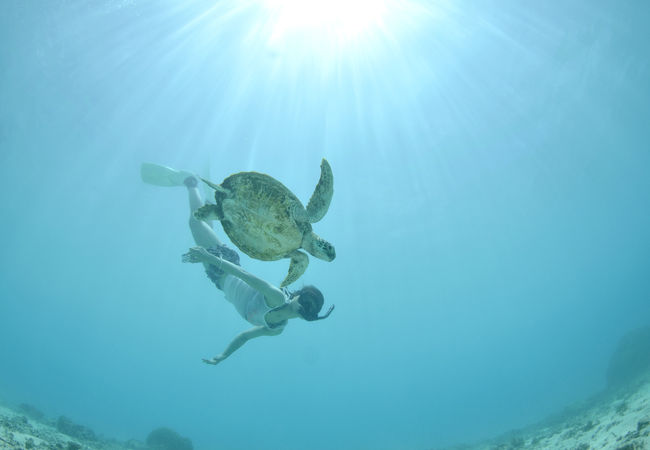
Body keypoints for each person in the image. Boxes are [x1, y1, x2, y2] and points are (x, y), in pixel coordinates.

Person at [141, 163, 334, 366]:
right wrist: (210, 258)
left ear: (311, 317)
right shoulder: (277, 297)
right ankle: (191, 183)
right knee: (195, 223)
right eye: (306, 300)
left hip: (218, 277)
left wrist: (223, 356)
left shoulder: (276, 328)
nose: (304, 307)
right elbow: (243, 275)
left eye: (309, 309)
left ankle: (211, 206)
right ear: (297, 295)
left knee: (204, 225)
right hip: (224, 264)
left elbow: (244, 337)